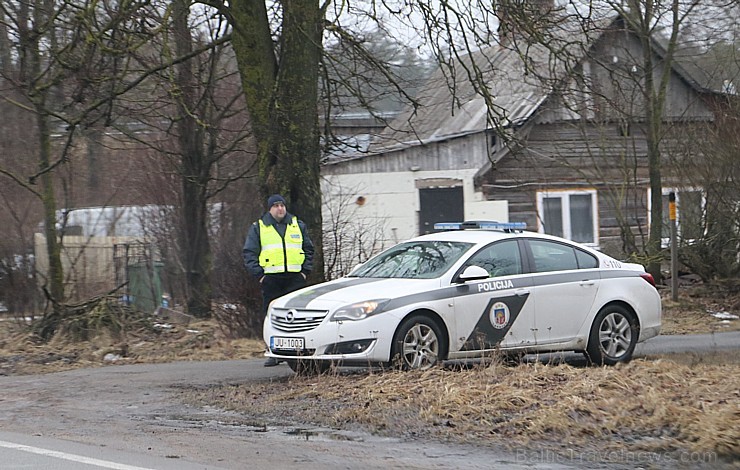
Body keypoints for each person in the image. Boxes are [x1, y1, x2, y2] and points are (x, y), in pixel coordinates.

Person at [243, 194, 314, 367]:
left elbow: (309, 249)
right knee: (272, 316)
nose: (280, 208)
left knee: (297, 316)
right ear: (269, 209)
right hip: (271, 278)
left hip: (295, 278)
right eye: (276, 206)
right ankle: (274, 352)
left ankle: (298, 351)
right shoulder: (259, 227)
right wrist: (260, 275)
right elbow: (249, 253)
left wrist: (305, 271)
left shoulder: (297, 225)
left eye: (282, 205)